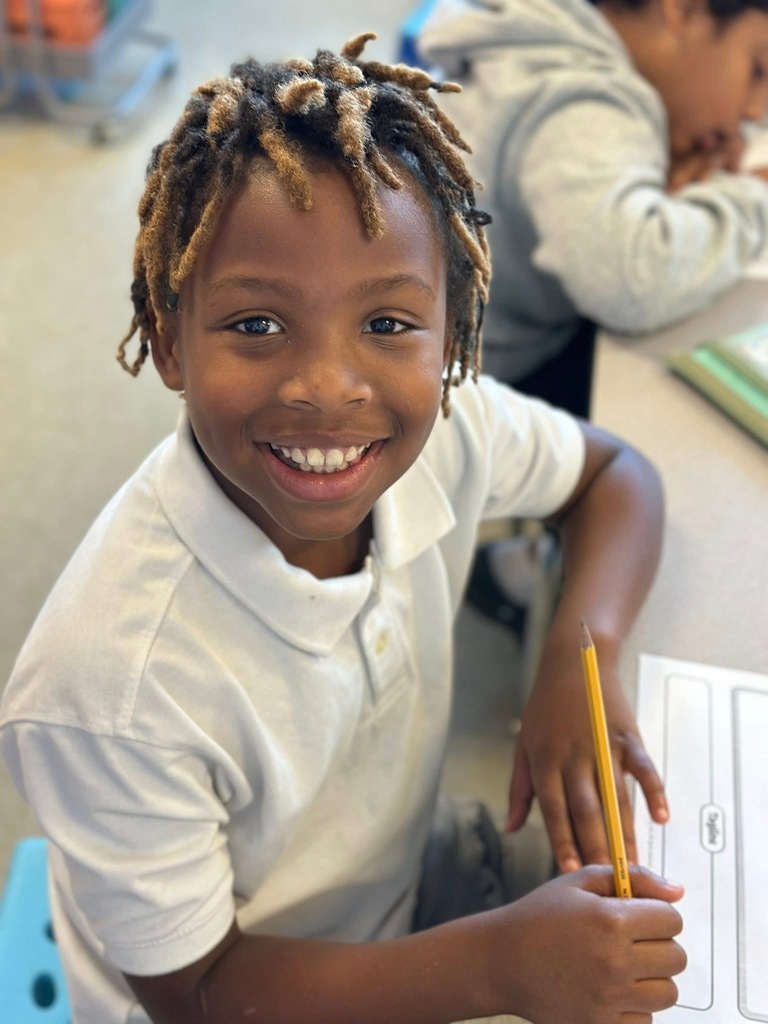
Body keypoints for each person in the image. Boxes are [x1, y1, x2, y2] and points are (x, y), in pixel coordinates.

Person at [0, 35, 685, 1024]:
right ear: (166, 338)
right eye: (256, 326)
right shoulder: (108, 687)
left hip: (399, 882)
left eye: (388, 324)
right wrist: (496, 970)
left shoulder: (452, 425)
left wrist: (580, 653)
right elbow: (195, 993)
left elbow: (620, 474)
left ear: (452, 334)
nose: (328, 388)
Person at [417, 0, 768, 391]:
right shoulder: (583, 95)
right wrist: (750, 194)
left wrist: (667, 162)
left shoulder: (540, 49)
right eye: (758, 70)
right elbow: (630, 280)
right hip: (463, 394)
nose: (755, 111)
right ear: (683, 9)